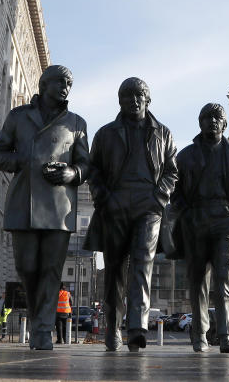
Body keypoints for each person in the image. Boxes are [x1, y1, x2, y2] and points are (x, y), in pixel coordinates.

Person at [0, 65, 90, 350]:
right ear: (44, 85)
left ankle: (43, 330)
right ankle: (38, 319)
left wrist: (72, 174)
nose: (65, 88)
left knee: (50, 271)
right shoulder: (18, 117)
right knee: (26, 266)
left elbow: (85, 164)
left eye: (69, 84)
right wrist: (24, 160)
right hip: (24, 202)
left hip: (59, 207)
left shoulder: (77, 123)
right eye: (60, 82)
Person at [83, 77, 178, 352]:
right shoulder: (106, 134)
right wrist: (104, 198)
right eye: (128, 97)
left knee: (142, 262)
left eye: (139, 96)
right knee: (113, 271)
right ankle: (113, 329)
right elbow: (94, 170)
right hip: (115, 204)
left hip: (149, 206)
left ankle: (136, 327)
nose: (134, 101)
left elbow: (172, 171)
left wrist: (159, 197)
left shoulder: (164, 133)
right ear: (120, 101)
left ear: (147, 100)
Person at [171, 103, 229, 353]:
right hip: (196, 221)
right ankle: (200, 333)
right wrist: (187, 213)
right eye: (207, 117)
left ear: (225, 124)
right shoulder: (185, 156)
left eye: (218, 118)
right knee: (197, 280)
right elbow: (176, 192)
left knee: (225, 276)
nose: (213, 121)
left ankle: (226, 334)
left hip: (226, 221)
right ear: (200, 123)